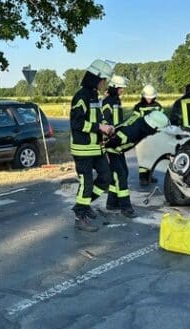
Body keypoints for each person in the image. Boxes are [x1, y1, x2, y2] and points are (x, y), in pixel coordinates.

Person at [69, 59, 115, 232]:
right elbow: (77, 123)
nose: (106, 84)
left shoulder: (94, 95)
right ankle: (80, 216)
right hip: (83, 149)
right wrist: (99, 128)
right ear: (97, 78)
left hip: (97, 148)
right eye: (105, 80)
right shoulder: (81, 96)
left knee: (105, 178)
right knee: (86, 183)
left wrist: (106, 126)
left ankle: (84, 204)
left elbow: (97, 118)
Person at [101, 75, 135, 217]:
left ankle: (111, 202)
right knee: (120, 174)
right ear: (115, 87)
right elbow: (105, 123)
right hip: (110, 144)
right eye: (121, 88)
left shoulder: (116, 101)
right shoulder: (108, 102)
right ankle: (126, 207)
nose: (122, 90)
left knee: (123, 172)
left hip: (117, 143)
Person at [133, 84, 163, 186]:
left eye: (151, 97)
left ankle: (149, 175)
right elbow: (135, 121)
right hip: (141, 135)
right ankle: (143, 177)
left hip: (154, 135)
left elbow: (162, 119)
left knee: (152, 156)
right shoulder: (138, 107)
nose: (149, 99)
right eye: (147, 97)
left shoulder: (158, 106)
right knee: (142, 156)